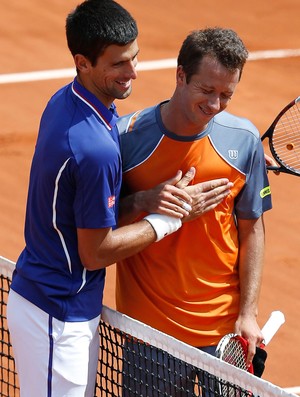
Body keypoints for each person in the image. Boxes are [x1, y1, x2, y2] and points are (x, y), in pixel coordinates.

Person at [6, 1, 233, 396]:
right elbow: (95, 252)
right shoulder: (94, 148)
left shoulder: (71, 102)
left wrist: (145, 199)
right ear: (83, 62)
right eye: (118, 64)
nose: (132, 73)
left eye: (134, 58)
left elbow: (83, 213)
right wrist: (172, 218)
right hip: (57, 317)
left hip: (60, 303)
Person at [115, 27, 273, 394]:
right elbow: (98, 229)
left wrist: (248, 313)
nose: (215, 105)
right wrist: (146, 201)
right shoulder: (126, 141)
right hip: (150, 335)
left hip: (224, 335)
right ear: (180, 74)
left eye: (226, 95)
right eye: (207, 90)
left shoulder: (243, 141)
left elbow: (253, 230)